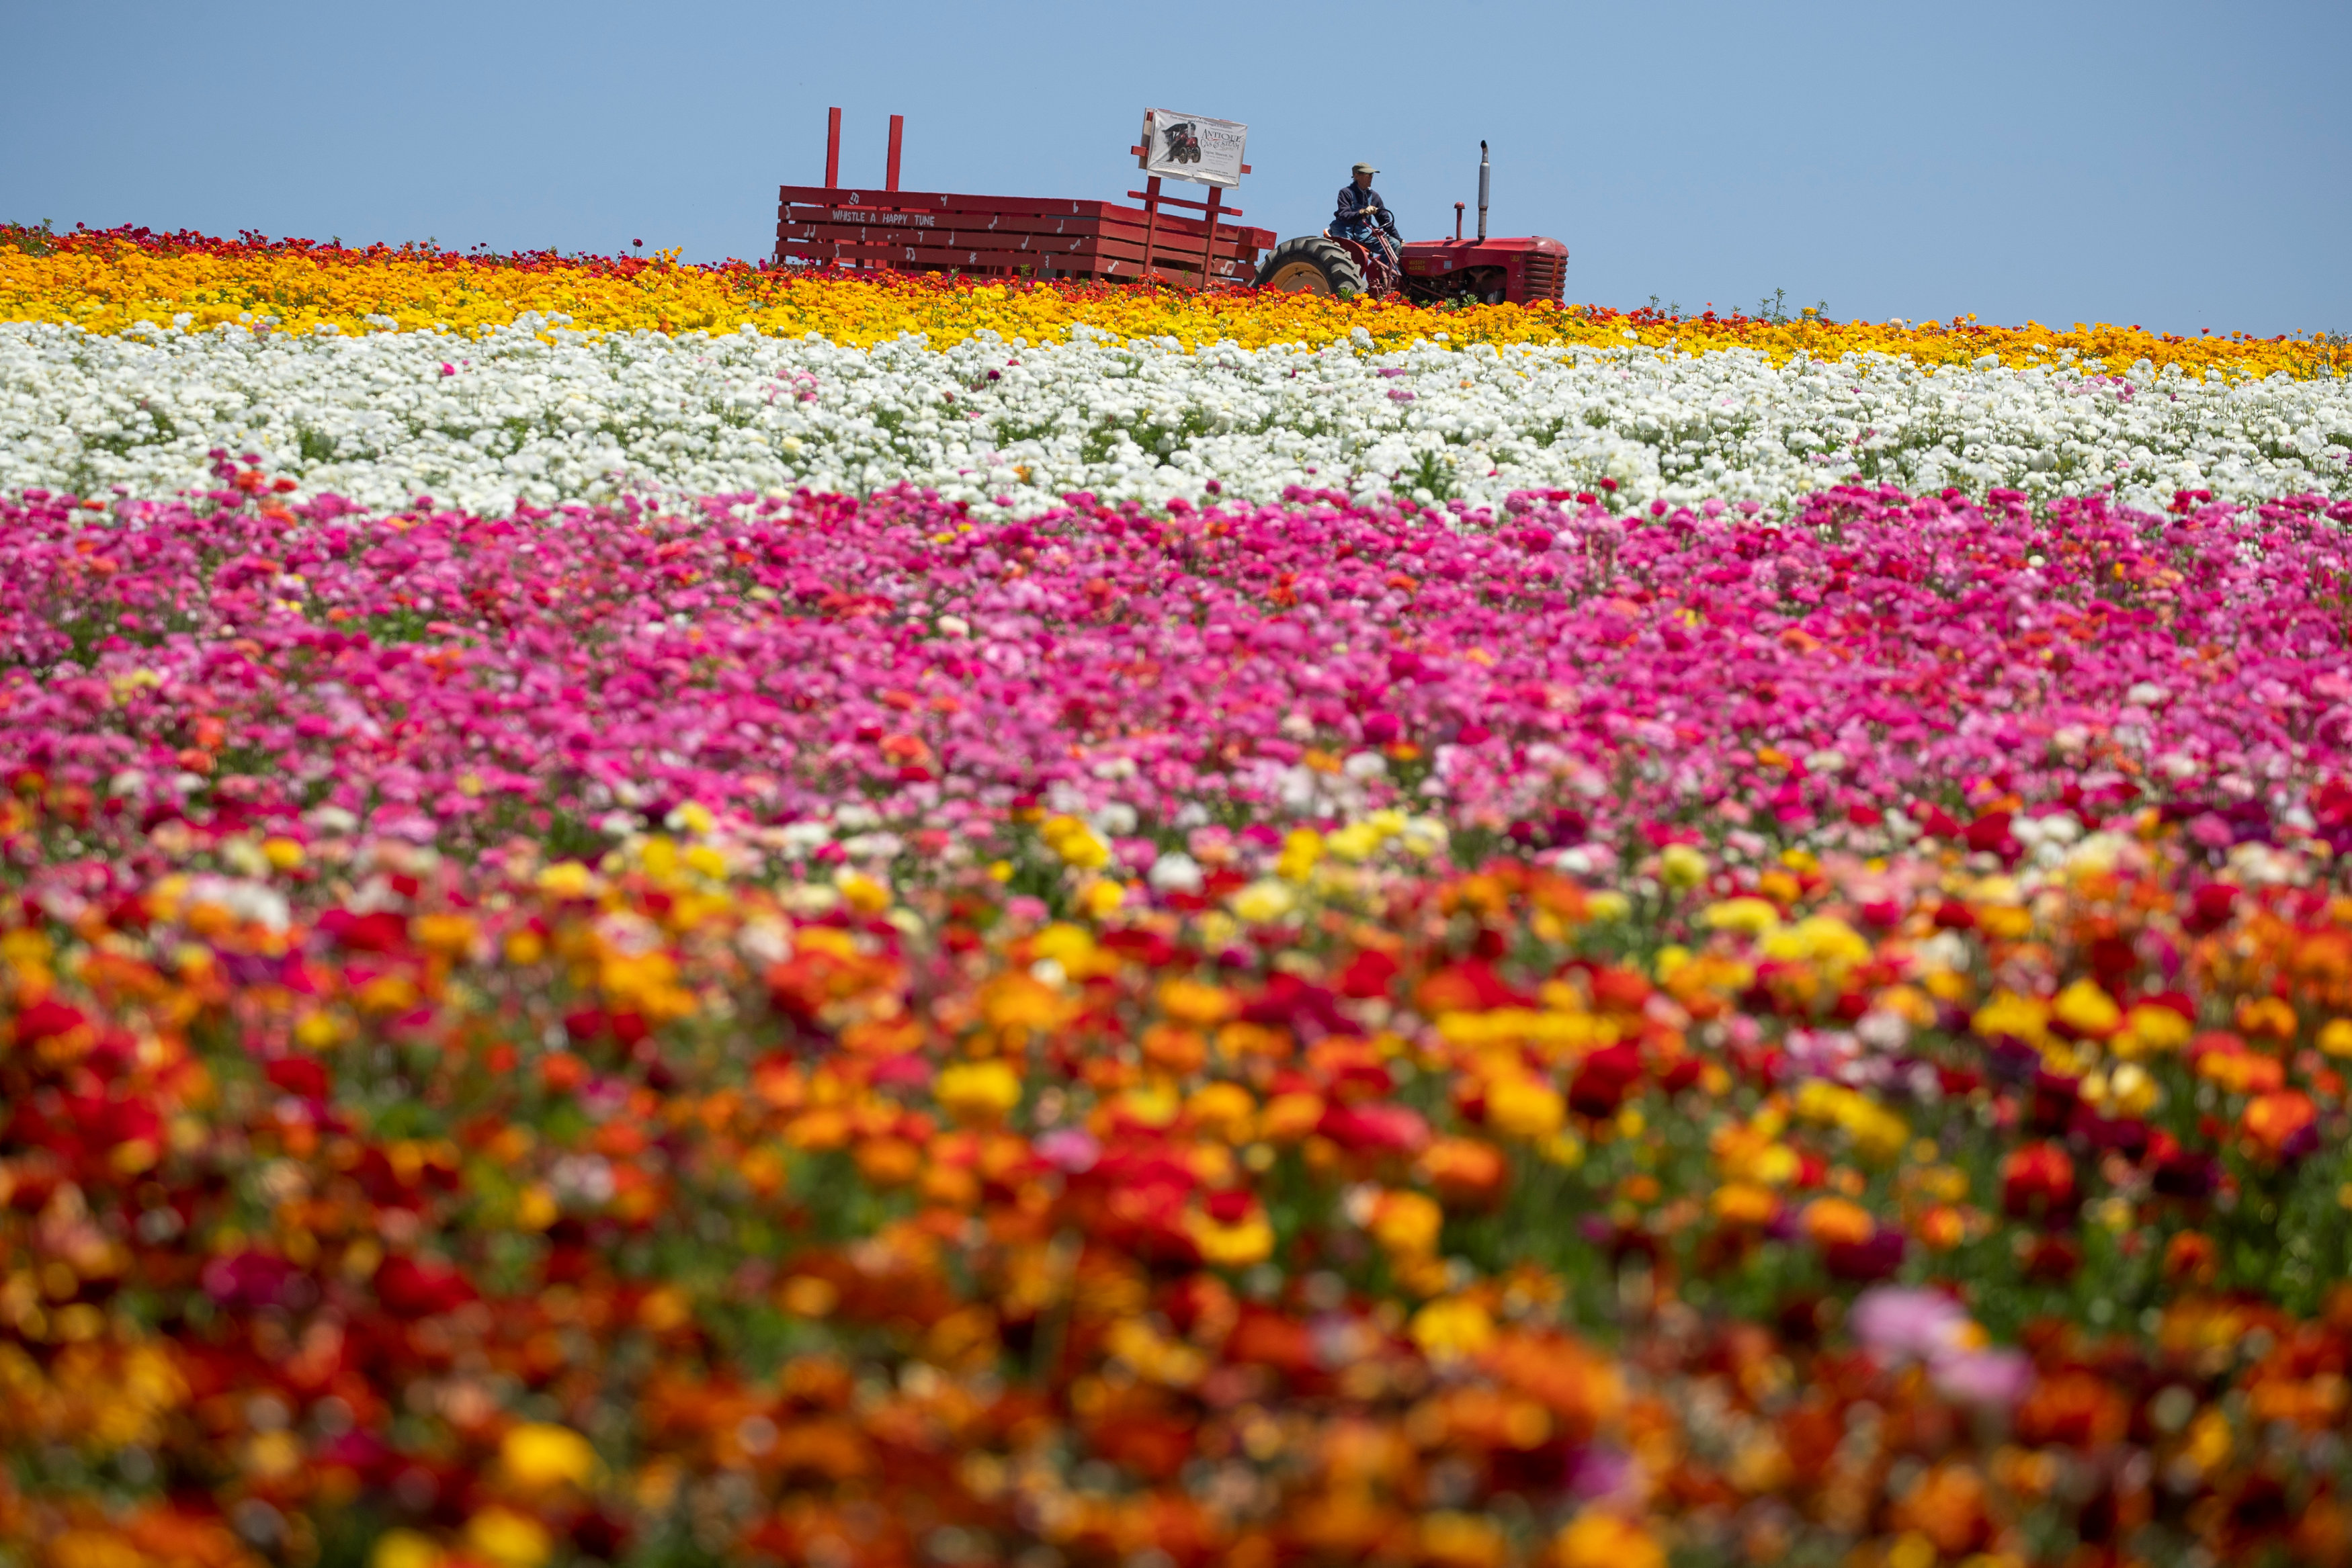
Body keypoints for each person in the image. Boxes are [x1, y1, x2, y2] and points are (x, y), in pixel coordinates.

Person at [1331, 163, 1401, 293]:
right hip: (1344, 230)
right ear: (1356, 176)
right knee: (1347, 255)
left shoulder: (1374, 197)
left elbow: (1385, 221)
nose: (1370, 178)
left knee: (1394, 245)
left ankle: (1384, 280)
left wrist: (1400, 240)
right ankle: (1346, 287)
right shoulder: (1346, 193)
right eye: (1367, 175)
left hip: (1363, 233)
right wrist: (1363, 212)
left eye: (1371, 175)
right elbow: (1344, 215)